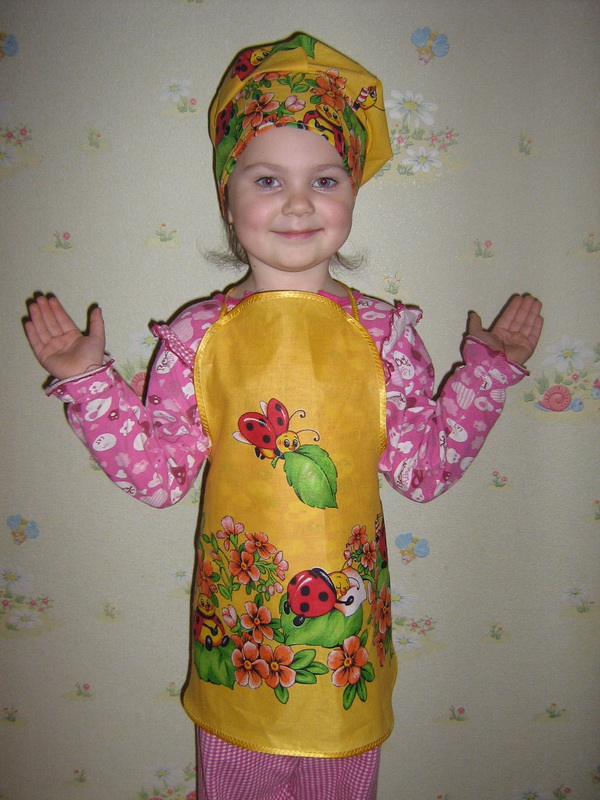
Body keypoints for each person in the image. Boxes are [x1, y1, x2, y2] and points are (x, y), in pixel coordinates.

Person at [24, 32, 542, 800]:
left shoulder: (385, 335)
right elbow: (160, 477)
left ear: (352, 197)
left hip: (345, 668)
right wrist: (86, 381)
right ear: (228, 199)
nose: (299, 202)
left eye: (324, 179)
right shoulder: (199, 335)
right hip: (240, 657)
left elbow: (425, 472)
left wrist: (486, 375)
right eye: (268, 179)